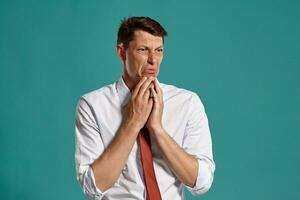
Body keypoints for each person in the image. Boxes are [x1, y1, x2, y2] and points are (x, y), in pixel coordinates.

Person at [75, 16, 215, 200]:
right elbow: (93, 187)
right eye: (143, 50)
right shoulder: (92, 105)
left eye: (159, 51)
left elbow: (201, 182)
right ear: (121, 52)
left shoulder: (187, 102)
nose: (153, 60)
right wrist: (133, 123)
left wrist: (157, 129)